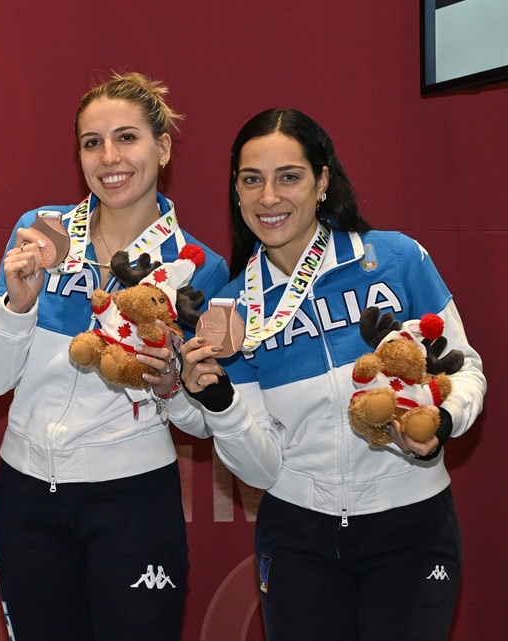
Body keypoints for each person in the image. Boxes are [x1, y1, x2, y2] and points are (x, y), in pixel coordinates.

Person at [179, 108, 486, 641]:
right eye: (251, 180)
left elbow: (466, 367)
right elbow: (261, 470)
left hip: (410, 523)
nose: (268, 198)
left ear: (322, 181)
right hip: (298, 535)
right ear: (236, 190)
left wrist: (443, 421)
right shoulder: (231, 310)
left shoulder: (394, 257)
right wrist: (221, 405)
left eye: (288, 177)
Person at [0, 72, 229, 640]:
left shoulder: (200, 268)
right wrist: (18, 307)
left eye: (126, 138)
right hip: (27, 495)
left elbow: (205, 420)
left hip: (132, 499)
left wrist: (169, 386)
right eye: (92, 143)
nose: (109, 158)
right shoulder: (39, 233)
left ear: (163, 148)